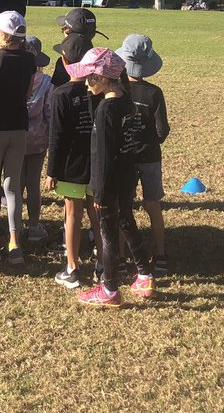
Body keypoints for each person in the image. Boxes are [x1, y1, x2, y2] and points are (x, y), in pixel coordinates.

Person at [70, 48, 156, 309]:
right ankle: (145, 274)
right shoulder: (125, 103)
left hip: (108, 183)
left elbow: (103, 155)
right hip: (126, 178)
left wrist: (99, 192)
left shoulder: (106, 110)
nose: (86, 84)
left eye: (89, 78)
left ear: (104, 79)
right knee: (126, 222)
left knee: (107, 236)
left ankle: (109, 289)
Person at [0, 10, 36, 264]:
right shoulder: (29, 59)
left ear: (1, 33)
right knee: (12, 186)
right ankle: (14, 244)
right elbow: (28, 92)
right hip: (19, 123)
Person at [46, 43, 100, 289]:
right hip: (97, 162)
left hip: (70, 166)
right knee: (97, 214)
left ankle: (72, 268)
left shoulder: (60, 94)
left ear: (65, 64)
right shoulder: (99, 89)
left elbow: (56, 136)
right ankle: (104, 264)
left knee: (72, 216)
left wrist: (52, 171)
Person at [116, 34, 171, 273]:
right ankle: (160, 255)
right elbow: (162, 129)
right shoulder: (154, 93)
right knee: (153, 205)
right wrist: (151, 141)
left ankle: (119, 255)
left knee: (122, 207)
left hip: (124, 157)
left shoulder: (117, 91)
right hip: (149, 155)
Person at [21, 37, 54, 241]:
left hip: (15, 137)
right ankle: (34, 225)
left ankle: (14, 226)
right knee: (33, 183)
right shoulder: (47, 84)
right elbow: (50, 114)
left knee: (14, 184)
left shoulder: (14, 79)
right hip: (38, 140)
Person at [51, 8, 106, 87]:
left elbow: (56, 93)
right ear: (93, 34)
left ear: (67, 33)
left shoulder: (64, 61)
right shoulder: (102, 62)